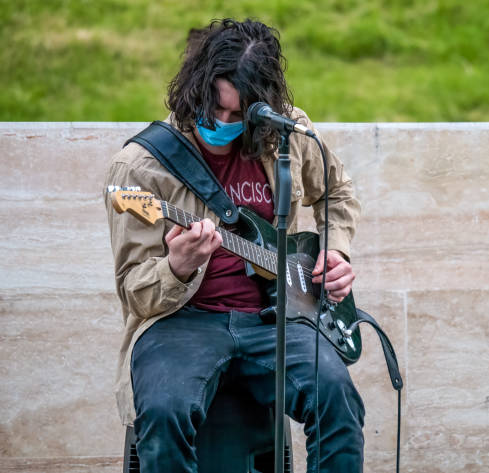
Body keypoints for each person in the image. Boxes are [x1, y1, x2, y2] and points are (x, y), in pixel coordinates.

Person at [103, 18, 364, 473]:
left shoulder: (286, 136)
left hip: (275, 319)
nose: (222, 124)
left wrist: (335, 251)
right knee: (164, 411)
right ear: (194, 90)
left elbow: (336, 194)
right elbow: (134, 292)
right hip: (180, 321)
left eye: (237, 114)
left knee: (337, 397)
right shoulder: (141, 167)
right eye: (213, 109)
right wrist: (177, 267)